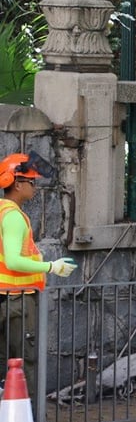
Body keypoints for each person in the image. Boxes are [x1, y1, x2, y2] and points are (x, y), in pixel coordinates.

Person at [0, 152, 77, 404]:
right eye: (32, 182)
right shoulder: (13, 217)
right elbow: (12, 261)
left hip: (6, 301)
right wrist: (51, 266)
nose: (35, 186)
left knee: (5, 365)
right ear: (17, 184)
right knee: (25, 362)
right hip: (17, 303)